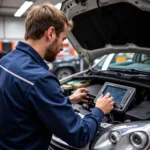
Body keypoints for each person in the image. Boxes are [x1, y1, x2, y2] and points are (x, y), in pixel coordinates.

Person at [0, 3, 114, 150]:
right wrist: (99, 110)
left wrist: (68, 100)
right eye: (64, 39)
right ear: (51, 33)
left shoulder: (6, 61)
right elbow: (80, 136)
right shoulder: (40, 79)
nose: (62, 47)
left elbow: (23, 104)